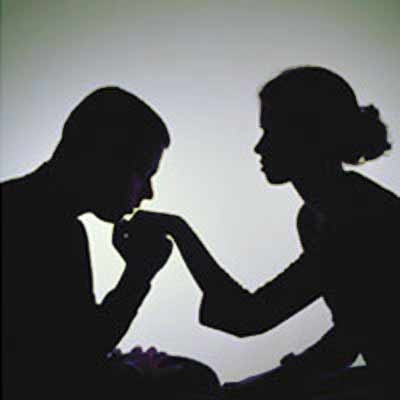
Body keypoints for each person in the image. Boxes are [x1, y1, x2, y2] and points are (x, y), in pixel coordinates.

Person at [127, 66, 399, 399]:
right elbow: (346, 337)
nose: (259, 147)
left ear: (310, 136)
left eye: (271, 132)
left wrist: (179, 231)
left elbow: (249, 315)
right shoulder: (320, 216)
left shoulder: (356, 217)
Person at [1, 87, 220, 400]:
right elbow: (73, 361)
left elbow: (71, 347)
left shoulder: (33, 211)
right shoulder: (48, 228)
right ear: (105, 157)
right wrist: (139, 274)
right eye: (143, 173)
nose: (148, 193)